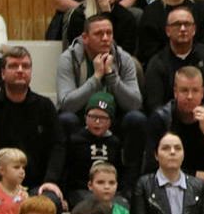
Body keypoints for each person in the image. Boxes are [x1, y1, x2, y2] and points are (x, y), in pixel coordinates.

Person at [56, 14, 147, 175]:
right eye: (99, 34)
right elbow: (67, 104)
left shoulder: (123, 59)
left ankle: (131, 183)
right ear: (85, 37)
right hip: (82, 118)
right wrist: (96, 77)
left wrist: (111, 76)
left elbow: (135, 103)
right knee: (65, 119)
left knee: (136, 119)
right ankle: (68, 183)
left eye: (109, 33)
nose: (105, 38)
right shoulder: (69, 58)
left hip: (114, 118)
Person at [142, 67, 204, 206]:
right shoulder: (161, 119)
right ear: (175, 92)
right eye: (184, 90)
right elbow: (152, 167)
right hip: (171, 182)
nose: (190, 97)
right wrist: (202, 177)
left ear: (203, 93)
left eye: (195, 91)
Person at [141, 5, 204, 115]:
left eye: (187, 24)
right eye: (177, 24)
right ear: (168, 31)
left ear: (194, 30)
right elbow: (154, 104)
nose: (183, 29)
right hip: (170, 123)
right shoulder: (157, 62)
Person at [60, 0, 140, 55]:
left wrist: (107, 14)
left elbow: (126, 52)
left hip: (117, 62)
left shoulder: (126, 17)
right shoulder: (79, 15)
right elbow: (77, 48)